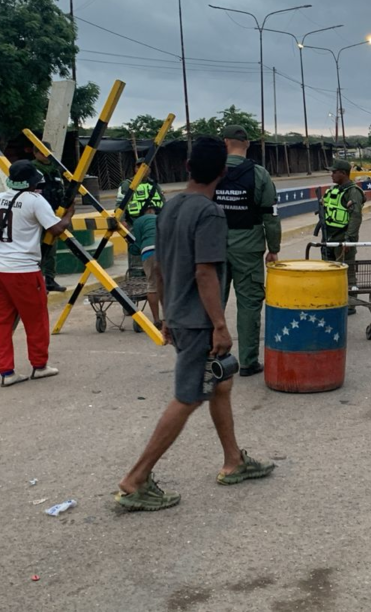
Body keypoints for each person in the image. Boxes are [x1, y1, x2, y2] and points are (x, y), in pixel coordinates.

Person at [116, 136, 275, 512]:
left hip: (180, 315)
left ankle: (233, 460)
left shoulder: (168, 210)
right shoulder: (209, 213)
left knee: (221, 384)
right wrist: (219, 325)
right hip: (199, 322)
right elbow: (205, 273)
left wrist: (168, 314)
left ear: (187, 168)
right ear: (221, 172)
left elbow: (168, 266)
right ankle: (135, 479)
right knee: (187, 397)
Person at [0, 160, 75, 386]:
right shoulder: (35, 201)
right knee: (36, 319)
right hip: (23, 270)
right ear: (31, 182)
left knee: (0, 322)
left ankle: (6, 371)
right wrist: (68, 215)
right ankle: (39, 365)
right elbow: (55, 229)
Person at [214, 125, 281, 377]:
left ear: (225, 142)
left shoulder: (213, 171)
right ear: (247, 144)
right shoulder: (260, 174)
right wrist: (273, 249)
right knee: (249, 305)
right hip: (249, 248)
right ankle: (248, 362)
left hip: (214, 247)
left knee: (213, 302)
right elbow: (270, 216)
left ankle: (213, 355)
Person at [320, 160, 365, 315]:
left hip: (343, 238)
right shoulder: (335, 190)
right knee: (329, 270)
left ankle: (350, 304)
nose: (331, 175)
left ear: (343, 173)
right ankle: (333, 300)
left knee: (347, 271)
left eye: (334, 172)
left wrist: (349, 239)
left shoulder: (353, 192)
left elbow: (356, 217)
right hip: (329, 237)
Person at [30, 145, 68, 292]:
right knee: (39, 249)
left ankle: (50, 280)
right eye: (41, 152)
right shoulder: (33, 169)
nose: (45, 155)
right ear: (35, 153)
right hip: (38, 215)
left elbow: (61, 189)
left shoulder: (55, 169)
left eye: (47, 152)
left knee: (51, 249)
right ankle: (37, 280)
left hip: (54, 215)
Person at [132, 205, 162, 327]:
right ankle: (170, 319)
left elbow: (136, 246)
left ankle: (156, 320)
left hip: (148, 251)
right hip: (165, 250)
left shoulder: (138, 221)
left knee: (152, 285)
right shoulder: (162, 218)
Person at [116, 156, 166, 225]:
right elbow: (120, 204)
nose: (142, 169)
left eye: (145, 167)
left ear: (149, 170)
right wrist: (122, 221)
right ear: (135, 169)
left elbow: (163, 202)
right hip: (134, 222)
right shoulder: (127, 185)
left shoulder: (154, 185)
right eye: (138, 167)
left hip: (155, 221)